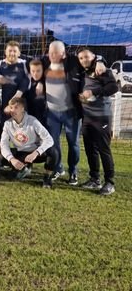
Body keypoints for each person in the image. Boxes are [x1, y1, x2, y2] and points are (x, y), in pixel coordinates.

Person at [44, 41, 105, 185]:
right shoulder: (44, 62)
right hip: (52, 113)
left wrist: (101, 61)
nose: (52, 55)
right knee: (53, 144)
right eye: (50, 52)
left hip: (71, 113)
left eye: (56, 53)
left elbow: (90, 59)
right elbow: (26, 63)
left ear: (63, 53)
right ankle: (58, 168)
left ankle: (73, 171)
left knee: (74, 144)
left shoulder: (73, 61)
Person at [77, 48, 118, 196]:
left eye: (86, 57)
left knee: (104, 149)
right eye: (81, 58)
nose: (84, 60)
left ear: (93, 57)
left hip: (101, 117)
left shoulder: (102, 70)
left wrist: (94, 92)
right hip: (87, 117)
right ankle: (95, 179)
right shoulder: (84, 72)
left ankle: (110, 182)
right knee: (90, 149)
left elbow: (113, 87)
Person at [0, 97, 59, 188]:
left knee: (53, 152)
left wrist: (36, 153)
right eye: (11, 107)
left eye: (16, 107)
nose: (12, 110)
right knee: (0, 157)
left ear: (22, 109)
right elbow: (4, 145)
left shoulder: (33, 121)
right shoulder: (7, 124)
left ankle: (47, 177)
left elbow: (49, 139)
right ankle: (25, 168)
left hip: (36, 153)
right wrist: (12, 160)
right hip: (21, 153)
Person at [0, 40, 30, 115]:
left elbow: (29, 79)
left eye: (15, 51)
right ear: (5, 52)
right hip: (5, 107)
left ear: (19, 53)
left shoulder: (25, 64)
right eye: (10, 51)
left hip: (21, 107)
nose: (12, 53)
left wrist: (18, 95)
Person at [25, 59, 47, 127]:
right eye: (33, 71)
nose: (35, 74)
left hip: (45, 119)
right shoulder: (26, 83)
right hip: (30, 119)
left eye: (38, 71)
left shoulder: (47, 82)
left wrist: (41, 81)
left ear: (43, 70)